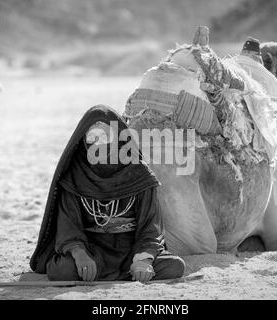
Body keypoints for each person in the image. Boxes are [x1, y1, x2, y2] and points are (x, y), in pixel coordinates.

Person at [30, 105, 185, 282]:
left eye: (105, 136)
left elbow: (150, 227)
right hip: (92, 254)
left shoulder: (140, 174)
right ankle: (96, 269)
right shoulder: (73, 177)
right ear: (82, 141)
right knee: (61, 270)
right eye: (92, 137)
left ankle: (136, 269)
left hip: (132, 253)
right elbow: (68, 227)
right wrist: (80, 255)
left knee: (174, 266)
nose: (98, 143)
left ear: (118, 138)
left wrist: (144, 260)